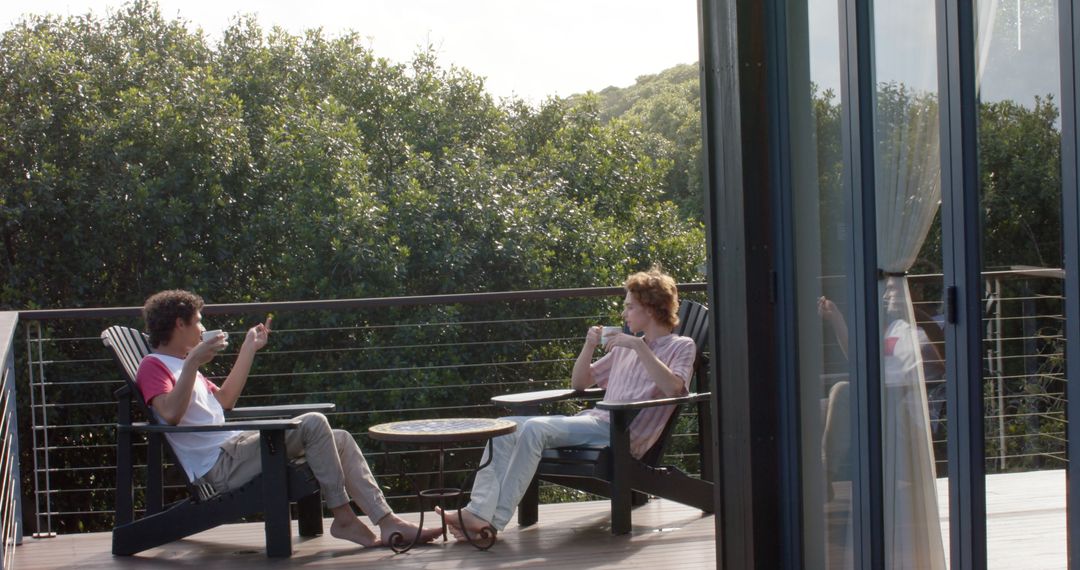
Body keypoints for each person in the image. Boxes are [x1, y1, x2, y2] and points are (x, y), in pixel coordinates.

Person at [134, 289, 440, 548]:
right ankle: (344, 518)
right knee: (313, 422)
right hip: (218, 467)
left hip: (235, 451)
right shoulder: (155, 365)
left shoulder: (186, 367)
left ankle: (387, 521)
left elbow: (225, 400)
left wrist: (248, 348)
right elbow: (170, 413)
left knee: (341, 439)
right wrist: (192, 363)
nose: (202, 330)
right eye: (198, 323)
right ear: (179, 323)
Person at [438, 267, 697, 539]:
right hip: (595, 424)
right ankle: (477, 511)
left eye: (630, 307)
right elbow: (580, 383)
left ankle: (489, 519)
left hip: (621, 436)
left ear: (651, 309)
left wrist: (639, 347)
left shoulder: (680, 346)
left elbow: (674, 388)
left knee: (534, 429)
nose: (624, 314)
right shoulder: (624, 347)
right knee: (504, 426)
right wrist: (588, 346)